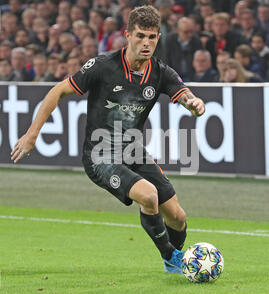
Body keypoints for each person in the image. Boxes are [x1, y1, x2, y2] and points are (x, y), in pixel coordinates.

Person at [11, 5, 205, 275]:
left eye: (151, 37)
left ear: (158, 38)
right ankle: (175, 259)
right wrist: (32, 134)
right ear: (127, 35)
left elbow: (184, 95)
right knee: (148, 195)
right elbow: (58, 91)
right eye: (140, 36)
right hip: (100, 157)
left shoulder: (162, 73)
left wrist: (193, 103)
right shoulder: (103, 66)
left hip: (133, 151)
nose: (146, 43)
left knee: (178, 216)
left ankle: (172, 265)